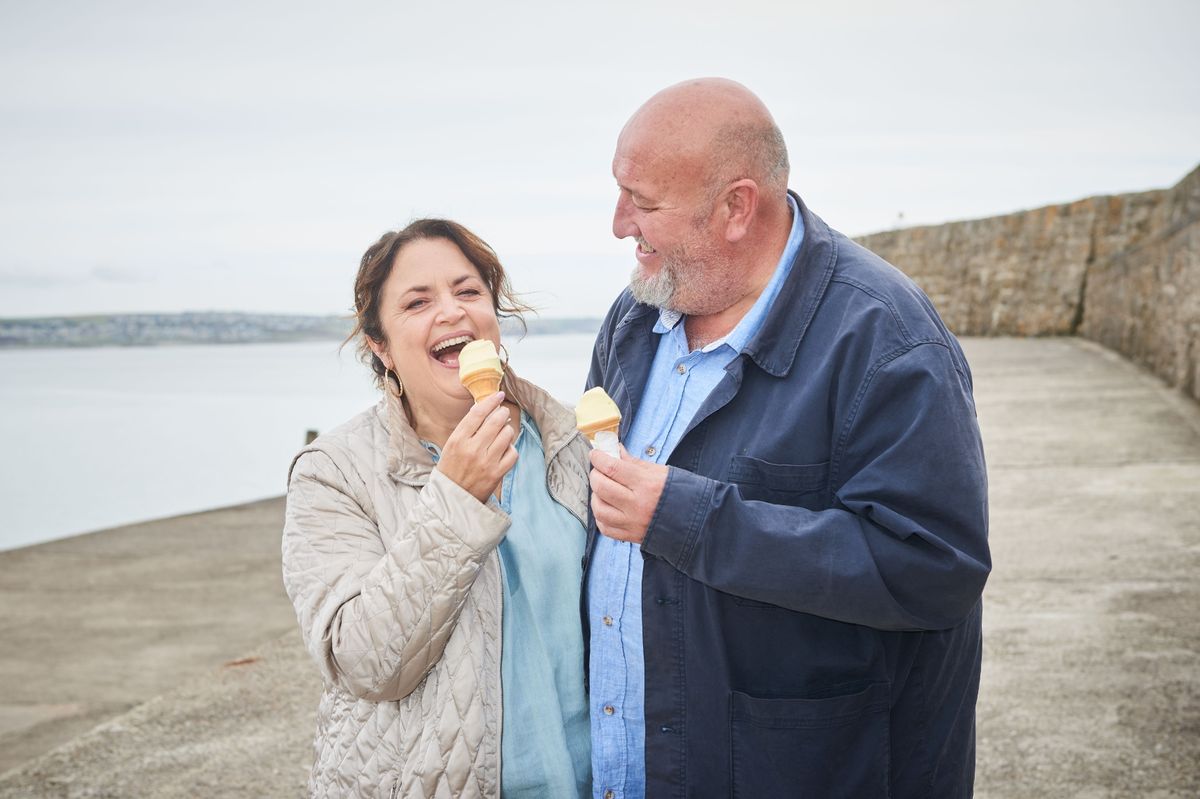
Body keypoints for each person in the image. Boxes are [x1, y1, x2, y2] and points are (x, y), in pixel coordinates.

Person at [584, 78, 990, 798]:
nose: (619, 223)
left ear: (738, 206)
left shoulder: (887, 341)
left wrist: (685, 516)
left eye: (644, 202)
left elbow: (936, 570)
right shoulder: (635, 316)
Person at [282, 219, 592, 798]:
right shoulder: (334, 472)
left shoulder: (568, 443)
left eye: (468, 291)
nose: (451, 312)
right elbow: (365, 663)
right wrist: (455, 498)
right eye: (418, 302)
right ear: (381, 346)